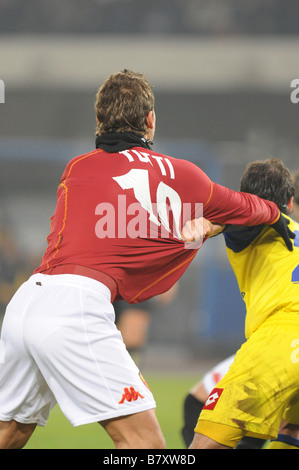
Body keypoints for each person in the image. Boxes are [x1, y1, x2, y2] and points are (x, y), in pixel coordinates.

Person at [0, 70, 295, 450]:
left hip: (26, 305)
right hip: (75, 309)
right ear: (150, 120)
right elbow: (250, 207)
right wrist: (266, 216)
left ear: (98, 121)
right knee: (148, 448)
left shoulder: (75, 168)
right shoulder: (184, 176)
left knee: (10, 433)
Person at [184, 158, 299, 450]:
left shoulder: (253, 219)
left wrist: (206, 225)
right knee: (292, 430)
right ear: (290, 201)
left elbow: (236, 218)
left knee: (207, 441)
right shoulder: (293, 230)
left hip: (285, 336)